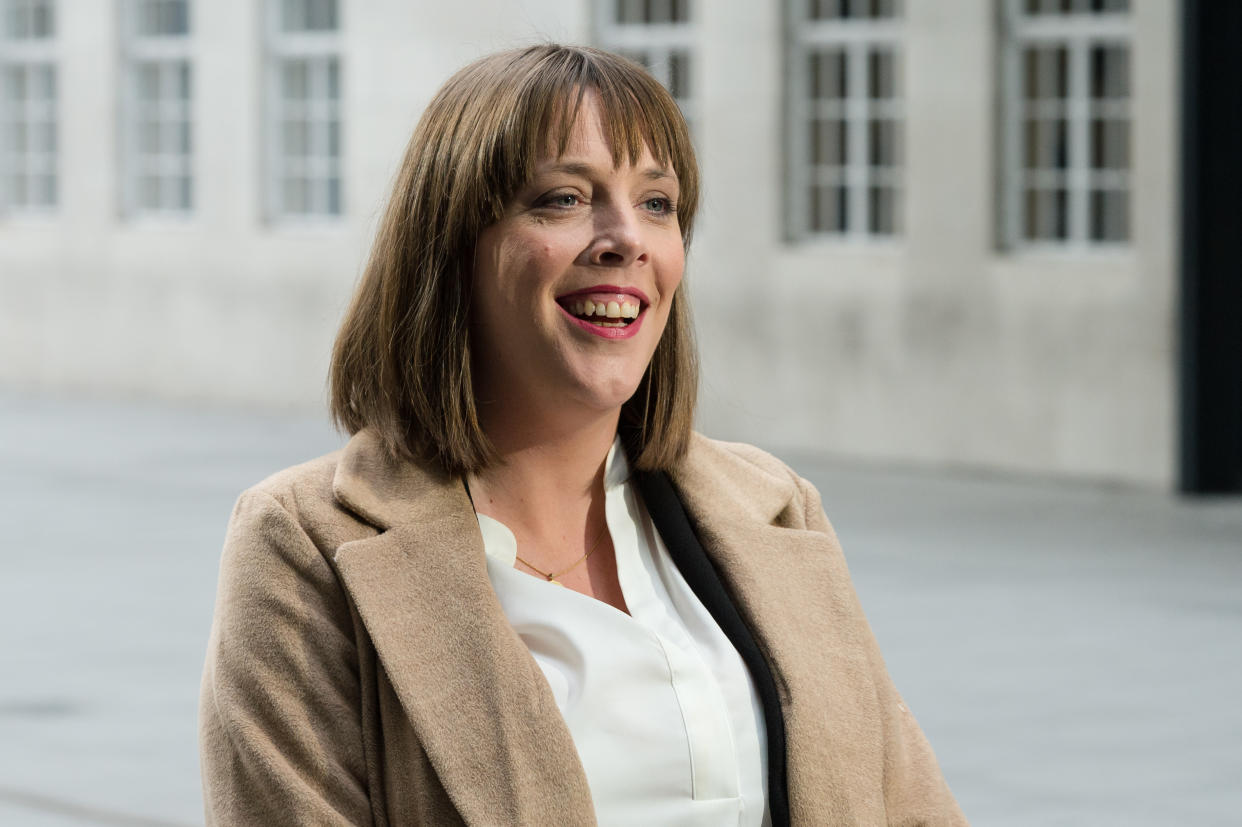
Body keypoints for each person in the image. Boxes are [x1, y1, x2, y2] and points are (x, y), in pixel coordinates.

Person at [198, 44, 966, 826]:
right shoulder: (304, 542)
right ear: (451, 246)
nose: (626, 238)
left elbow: (909, 806)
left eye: (658, 203)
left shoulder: (773, 505)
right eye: (564, 198)